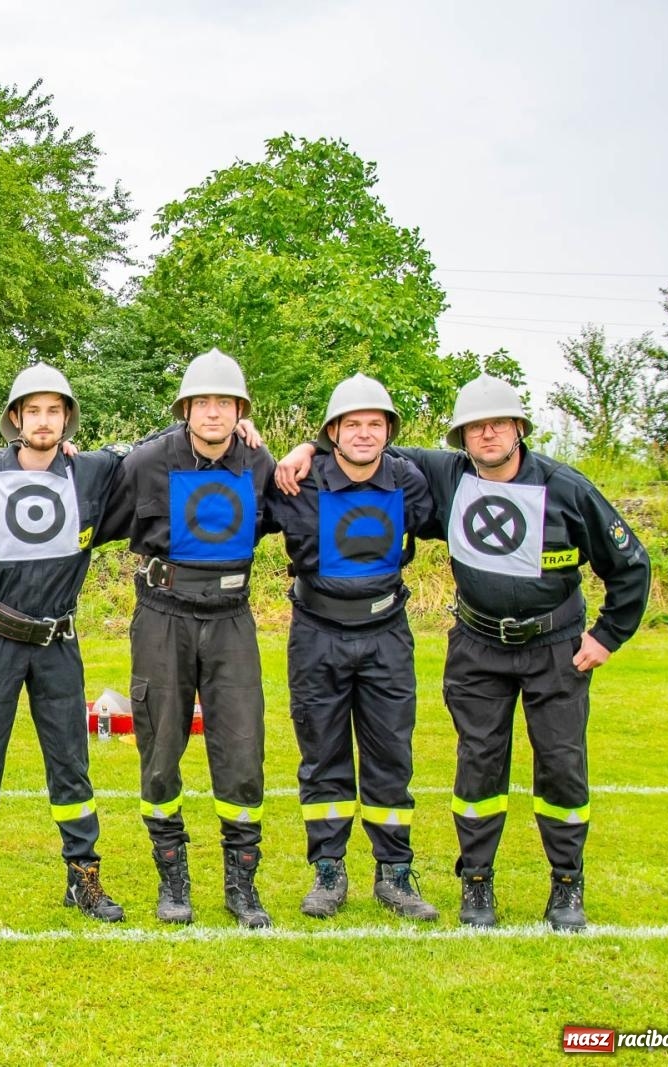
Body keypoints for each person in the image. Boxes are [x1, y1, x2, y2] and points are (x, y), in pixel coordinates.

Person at [276, 374, 650, 930]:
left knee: (562, 766)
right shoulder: (448, 474)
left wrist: (608, 634)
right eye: (476, 427)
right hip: (472, 646)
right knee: (476, 765)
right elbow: (363, 447)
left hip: (554, 648)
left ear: (520, 428)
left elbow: (629, 564)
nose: (489, 434)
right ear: (462, 437)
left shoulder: (563, 487)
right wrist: (306, 446)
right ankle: (472, 883)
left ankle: (565, 885)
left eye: (499, 423)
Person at [0, 363, 127, 925]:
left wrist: (246, 434)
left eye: (54, 411)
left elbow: (161, 453)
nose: (43, 421)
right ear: (15, 418)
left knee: (71, 762)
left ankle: (83, 875)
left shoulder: (91, 473)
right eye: (32, 411)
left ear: (67, 418)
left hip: (58, 642)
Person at [98, 348, 277, 928]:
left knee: (242, 750)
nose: (214, 413)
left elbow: (304, 489)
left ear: (240, 410)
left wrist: (300, 449)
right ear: (185, 409)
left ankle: (241, 885)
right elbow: (96, 488)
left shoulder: (258, 461)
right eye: (202, 402)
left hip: (231, 616)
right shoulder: (147, 460)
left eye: (225, 403)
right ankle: (172, 880)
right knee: (159, 749)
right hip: (162, 614)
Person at [263, 374, 437, 921]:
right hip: (317, 633)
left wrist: (308, 441)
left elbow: (468, 458)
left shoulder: (408, 478)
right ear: (333, 432)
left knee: (391, 754)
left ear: (389, 431)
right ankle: (329, 870)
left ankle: (395, 873)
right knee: (323, 754)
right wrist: (300, 449)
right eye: (352, 424)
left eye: (375, 424)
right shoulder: (299, 480)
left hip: (387, 634)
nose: (364, 434)